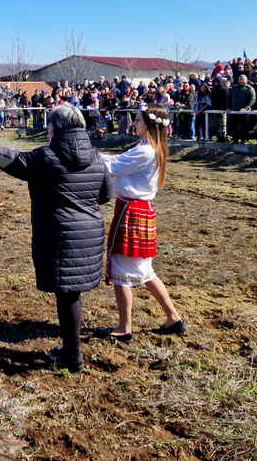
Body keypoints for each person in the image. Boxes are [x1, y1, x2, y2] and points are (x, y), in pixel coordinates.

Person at [0, 104, 113, 373]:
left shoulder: (46, 157)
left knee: (67, 295)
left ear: (53, 128)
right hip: (90, 234)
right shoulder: (96, 157)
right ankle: (72, 351)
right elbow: (106, 194)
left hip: (60, 236)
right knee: (70, 294)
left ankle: (73, 358)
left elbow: (12, 160)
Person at [96, 104, 184, 341]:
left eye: (138, 120)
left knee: (121, 271)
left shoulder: (146, 151)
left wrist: (84, 152)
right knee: (145, 271)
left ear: (150, 124)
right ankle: (173, 317)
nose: (135, 123)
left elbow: (112, 166)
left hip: (132, 212)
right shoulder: (149, 148)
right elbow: (116, 161)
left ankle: (124, 328)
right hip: (138, 210)